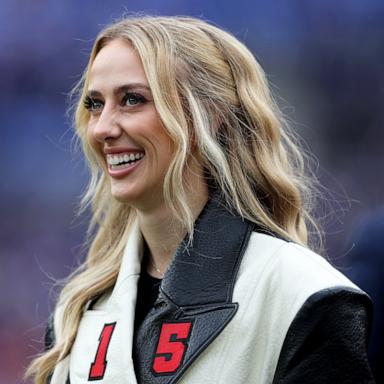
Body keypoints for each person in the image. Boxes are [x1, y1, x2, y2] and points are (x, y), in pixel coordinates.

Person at [26, 15, 374, 384]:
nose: (103, 128)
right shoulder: (79, 313)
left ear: (210, 113)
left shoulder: (302, 296)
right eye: (95, 104)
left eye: (132, 100)